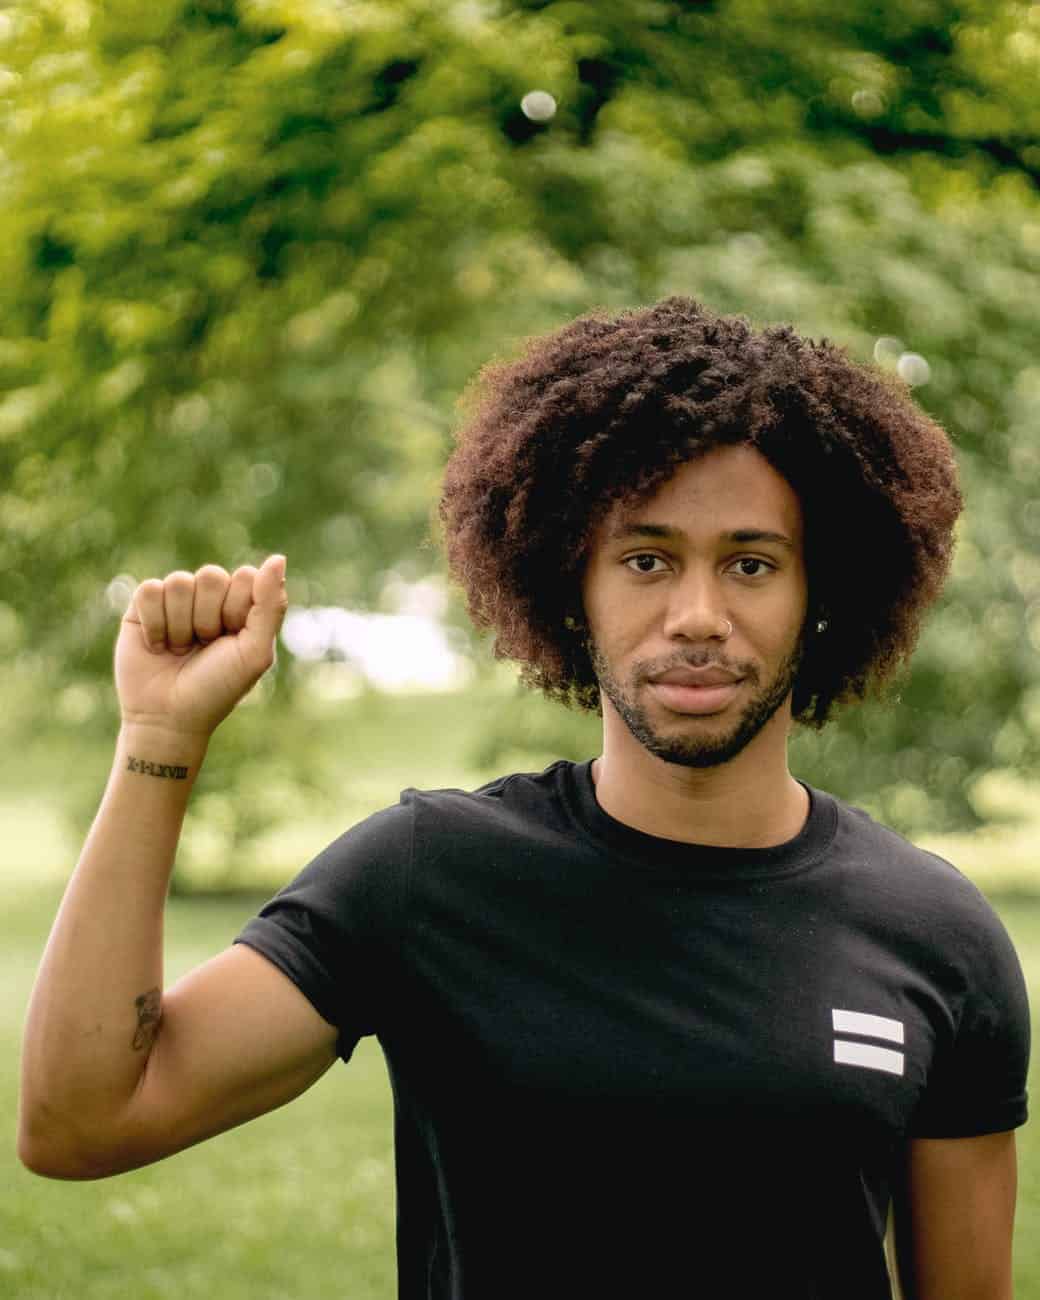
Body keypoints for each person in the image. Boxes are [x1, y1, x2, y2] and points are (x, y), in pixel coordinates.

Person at [19, 298, 1029, 1299]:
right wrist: (159, 739)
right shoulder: (426, 878)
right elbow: (83, 1120)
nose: (695, 615)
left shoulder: (935, 937)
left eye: (750, 564)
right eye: (645, 560)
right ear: (568, 588)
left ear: (820, 600)